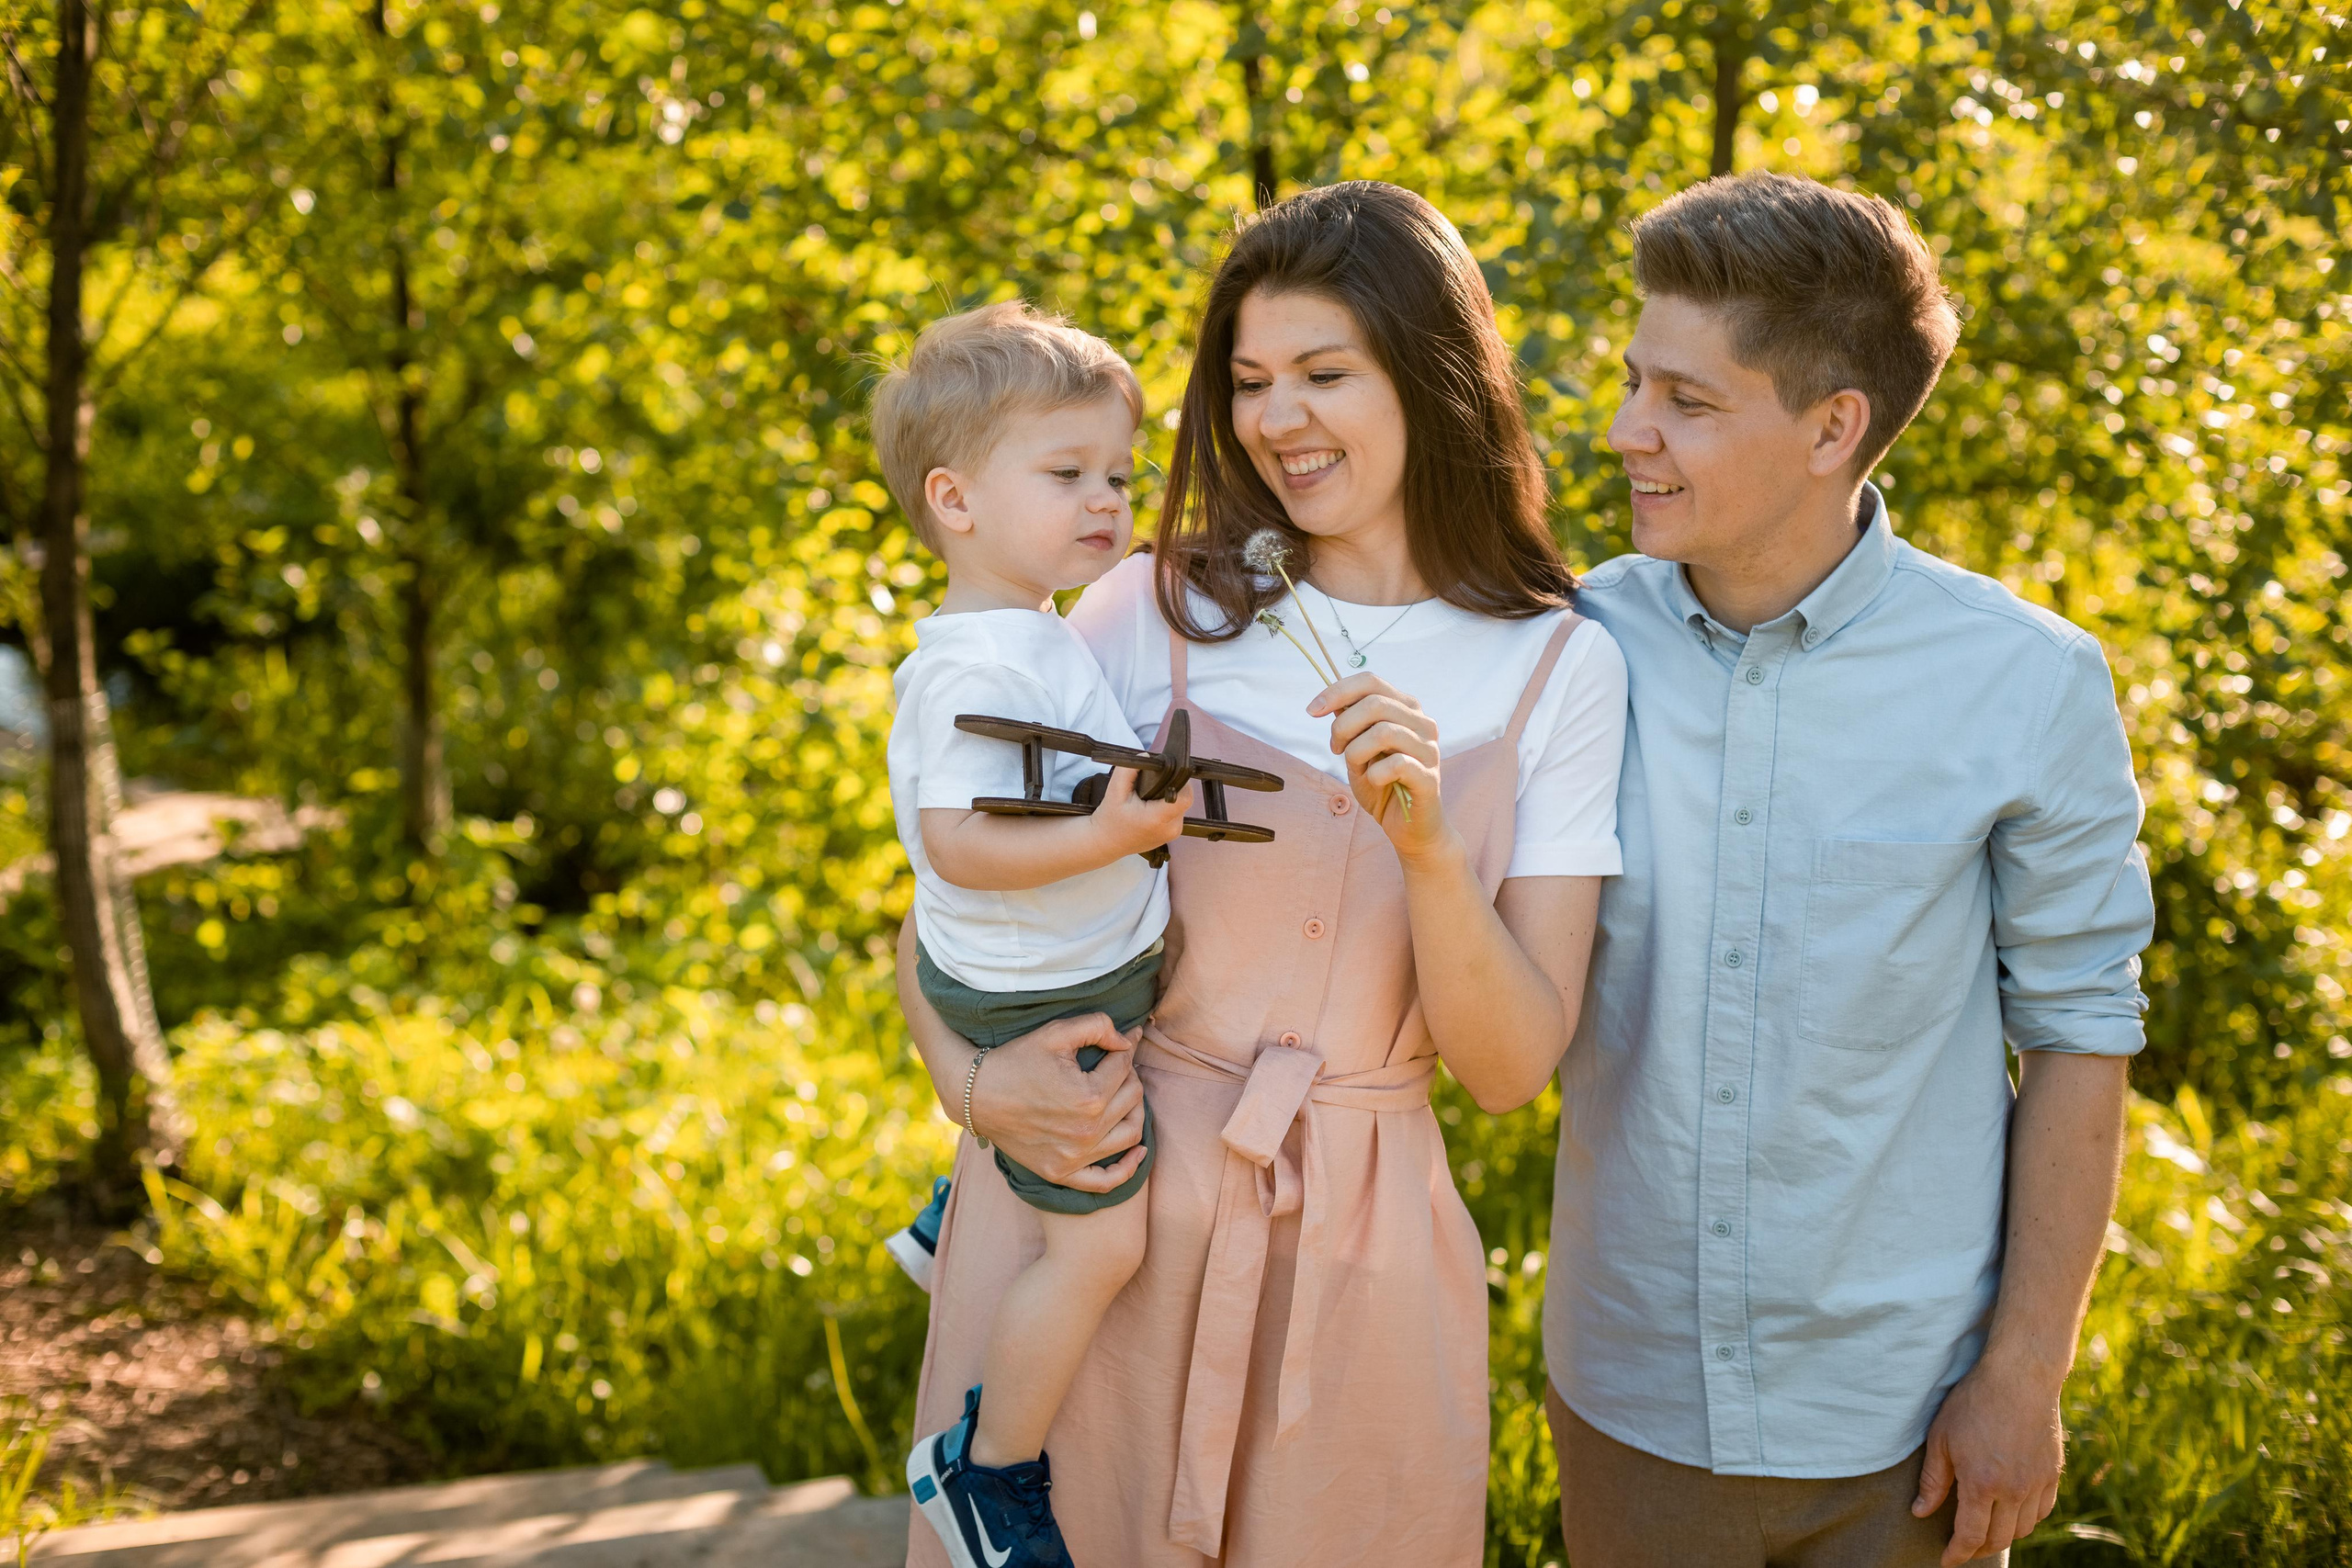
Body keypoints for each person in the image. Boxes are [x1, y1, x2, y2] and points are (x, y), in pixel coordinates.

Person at [897, 181, 1628, 1567]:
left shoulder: (1558, 666)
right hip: (1090, 1214)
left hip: (1356, 1269)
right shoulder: (1145, 611)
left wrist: (1425, 845)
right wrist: (981, 1092)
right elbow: (951, 902)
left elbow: (1510, 1065)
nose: (1276, 419)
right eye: (1246, 382)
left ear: (1433, 374)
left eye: (1323, 375)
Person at [1548, 171, 2156, 1568]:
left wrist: (2023, 1379)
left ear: (1836, 427)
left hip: (1914, 1424)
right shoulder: (1572, 646)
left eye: (1686, 403)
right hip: (1630, 1393)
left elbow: (2080, 1032)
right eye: (1639, 381)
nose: (1628, 432)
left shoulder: (2027, 682)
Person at [872, 301, 1195, 1568]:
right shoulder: (970, 669)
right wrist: (1115, 839)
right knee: (1107, 1240)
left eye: (1117, 473)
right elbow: (954, 845)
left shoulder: (1035, 630)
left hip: (1081, 971)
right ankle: (984, 1469)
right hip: (1035, 994)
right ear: (955, 500)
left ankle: (957, 1206)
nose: (1105, 500)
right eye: (1065, 475)